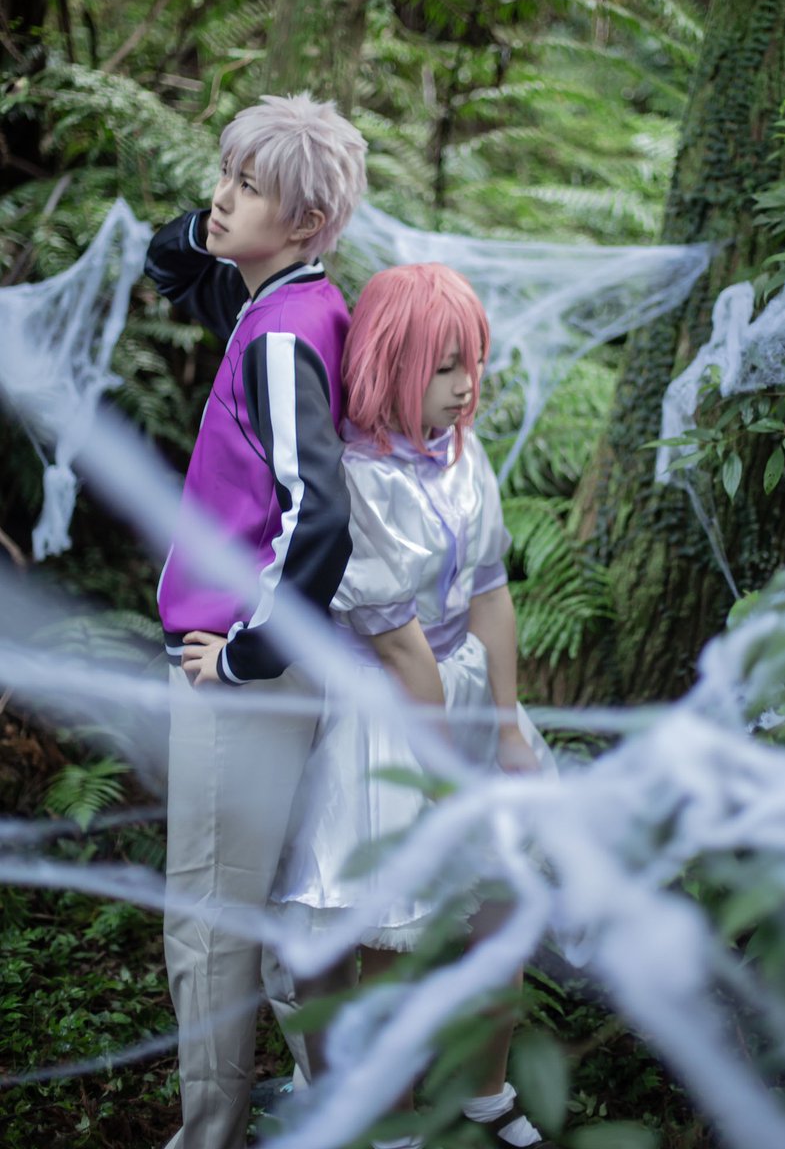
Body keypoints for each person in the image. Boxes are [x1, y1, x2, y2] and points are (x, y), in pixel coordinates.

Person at [271, 263, 558, 1149]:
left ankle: (485, 1091)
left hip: (462, 689)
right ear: (391, 364)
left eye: (473, 360)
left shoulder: (462, 455)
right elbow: (399, 647)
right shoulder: (358, 479)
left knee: (500, 905)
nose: (467, 383)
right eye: (444, 366)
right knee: (386, 927)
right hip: (388, 716)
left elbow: (491, 592)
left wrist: (506, 727)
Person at [144, 92, 367, 1149]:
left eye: (247, 187)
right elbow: (167, 261)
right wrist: (220, 220)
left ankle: (210, 1135)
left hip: (245, 676)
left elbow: (319, 515)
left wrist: (245, 655)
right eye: (224, 176)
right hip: (277, 667)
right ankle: (331, 1111)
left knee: (208, 921)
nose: (221, 199)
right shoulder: (292, 302)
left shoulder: (280, 336)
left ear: (308, 223)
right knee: (279, 909)